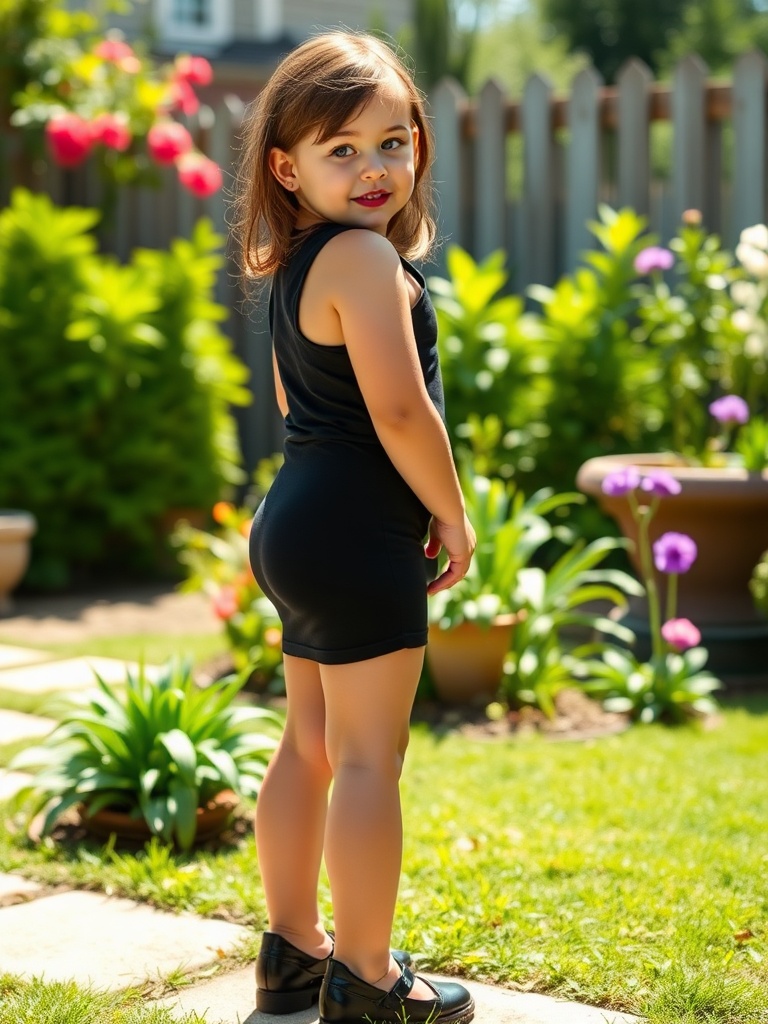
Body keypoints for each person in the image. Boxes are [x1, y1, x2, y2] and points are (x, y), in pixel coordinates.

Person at [233, 30, 477, 1024]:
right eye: (342, 150)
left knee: (311, 742)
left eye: (392, 142)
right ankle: (370, 978)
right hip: (355, 531)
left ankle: (293, 952)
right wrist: (454, 517)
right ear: (286, 168)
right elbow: (401, 412)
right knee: (371, 756)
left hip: (294, 523)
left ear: (419, 142)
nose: (374, 168)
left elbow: (302, 405)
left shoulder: (296, 268)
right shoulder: (367, 259)